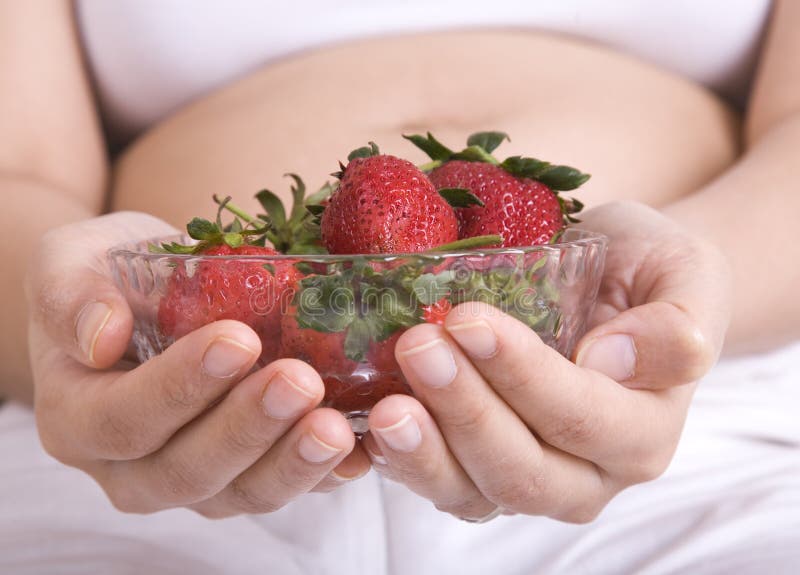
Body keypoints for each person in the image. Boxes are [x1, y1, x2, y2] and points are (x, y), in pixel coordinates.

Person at [1, 1, 799, 573]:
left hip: (697, 432)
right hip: (139, 443)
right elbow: (19, 173)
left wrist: (670, 310)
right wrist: (77, 327)